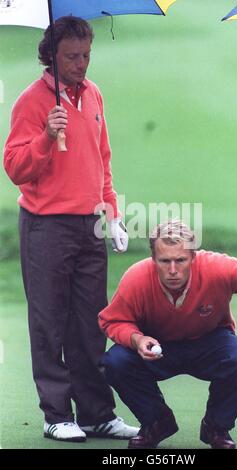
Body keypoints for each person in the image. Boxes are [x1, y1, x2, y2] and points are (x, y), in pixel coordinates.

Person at [3, 16, 138, 442]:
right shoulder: (32, 102)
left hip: (91, 225)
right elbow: (15, 168)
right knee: (49, 323)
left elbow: (103, 161)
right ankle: (56, 414)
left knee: (89, 322)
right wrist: (46, 136)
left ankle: (96, 413)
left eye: (86, 55)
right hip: (46, 226)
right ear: (52, 56)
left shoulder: (94, 94)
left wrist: (112, 213)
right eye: (72, 57)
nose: (81, 64)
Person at [99, 219, 237, 449]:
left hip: (209, 341)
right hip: (155, 345)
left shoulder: (216, 267)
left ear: (193, 257)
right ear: (153, 259)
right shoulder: (137, 277)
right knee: (115, 361)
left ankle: (216, 427)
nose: (172, 270)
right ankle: (157, 421)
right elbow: (113, 320)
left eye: (180, 260)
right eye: (164, 261)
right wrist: (137, 339)